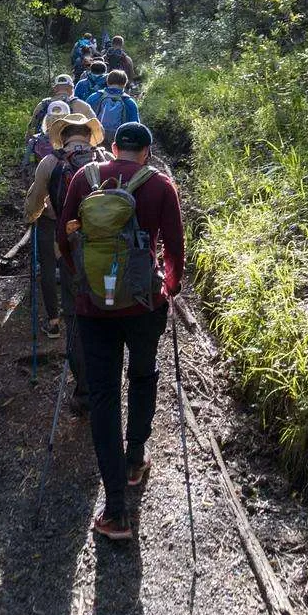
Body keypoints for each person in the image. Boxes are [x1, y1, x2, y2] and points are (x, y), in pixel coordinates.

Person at [58, 122, 185, 541]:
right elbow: (174, 250)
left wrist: (87, 284)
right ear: (146, 152)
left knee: (104, 395)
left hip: (93, 308)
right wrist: (167, 287)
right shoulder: (161, 186)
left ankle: (115, 511)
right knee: (143, 374)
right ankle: (135, 459)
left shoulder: (83, 179)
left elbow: (63, 239)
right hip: (143, 304)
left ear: (113, 148)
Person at [24, 112, 111, 407]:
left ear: (62, 136)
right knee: (110, 309)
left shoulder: (51, 163)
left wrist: (35, 216)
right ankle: (109, 381)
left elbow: (33, 203)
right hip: (108, 252)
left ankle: (84, 389)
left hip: (69, 251)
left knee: (75, 316)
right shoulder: (104, 159)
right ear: (89, 135)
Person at [26, 75, 96, 140]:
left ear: (55, 89)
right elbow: (96, 128)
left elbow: (31, 128)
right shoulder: (82, 105)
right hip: (71, 148)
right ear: (71, 88)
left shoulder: (42, 105)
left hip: (43, 148)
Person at [21, 98, 70, 187]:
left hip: (43, 183)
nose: (55, 121)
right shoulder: (73, 140)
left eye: (58, 119)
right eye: (53, 119)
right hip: (66, 183)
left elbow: (25, 166)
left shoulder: (35, 140)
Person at [87, 69, 139, 146]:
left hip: (96, 139)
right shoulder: (129, 102)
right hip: (120, 142)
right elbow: (135, 126)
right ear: (124, 84)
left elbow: (85, 119)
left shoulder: (94, 97)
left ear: (107, 82)